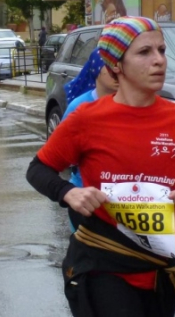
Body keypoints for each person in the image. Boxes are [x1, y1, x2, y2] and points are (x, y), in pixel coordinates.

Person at [26, 16, 175, 317]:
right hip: (103, 267)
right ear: (116, 64)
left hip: (165, 272)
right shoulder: (86, 118)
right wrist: (69, 192)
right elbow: (38, 169)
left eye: (162, 50)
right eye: (144, 52)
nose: (159, 60)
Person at [61, 47, 119, 230]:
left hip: (123, 196)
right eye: (108, 66)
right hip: (86, 195)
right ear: (96, 70)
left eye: (119, 65)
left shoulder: (130, 103)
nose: (116, 71)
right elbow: (61, 151)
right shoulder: (79, 107)